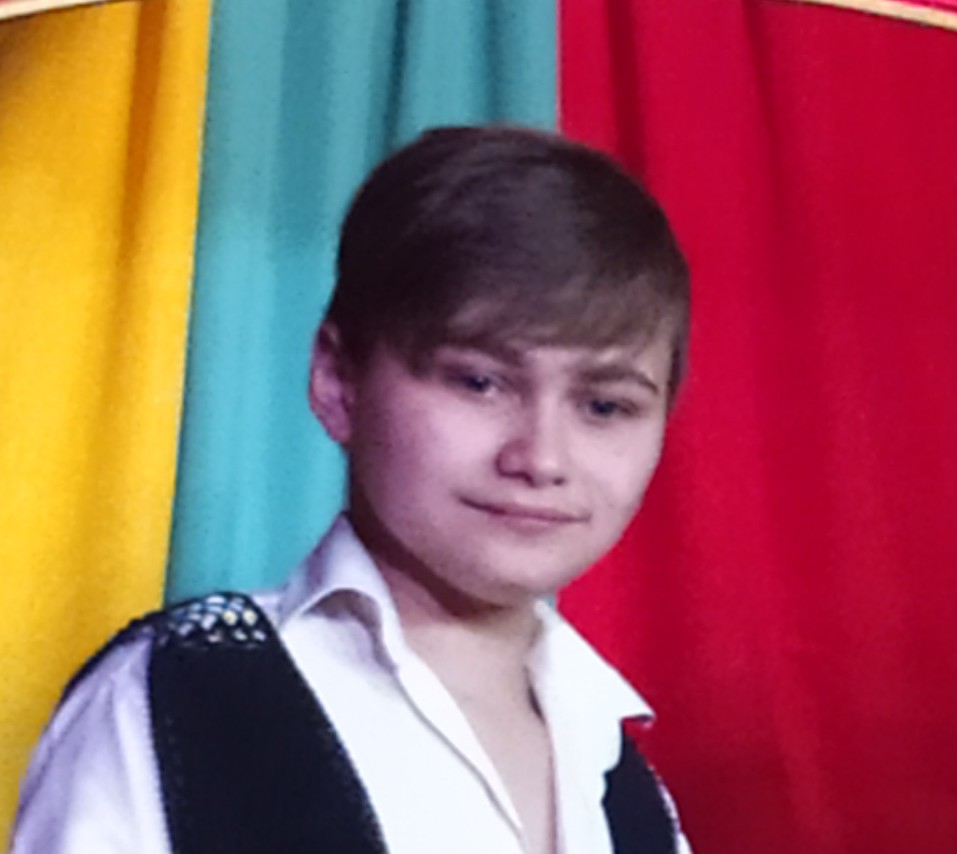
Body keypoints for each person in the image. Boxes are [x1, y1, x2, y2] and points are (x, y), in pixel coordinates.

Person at [10, 126, 692, 854]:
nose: (540, 457)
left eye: (604, 406)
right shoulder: (182, 703)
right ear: (338, 380)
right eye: (479, 382)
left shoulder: (626, 788)